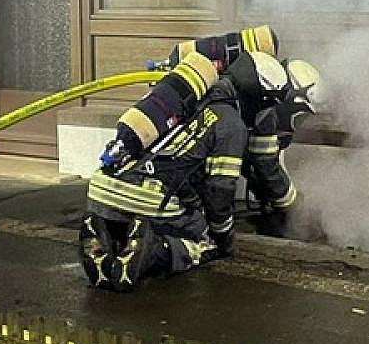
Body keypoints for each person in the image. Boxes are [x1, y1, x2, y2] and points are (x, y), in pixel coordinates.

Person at [79, 55, 247, 291]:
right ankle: (153, 249)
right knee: (203, 242)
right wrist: (223, 235)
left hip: (102, 185)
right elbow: (220, 189)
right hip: (148, 196)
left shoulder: (176, 104)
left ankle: (106, 237)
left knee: (136, 224)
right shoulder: (230, 122)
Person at [164, 27, 322, 236]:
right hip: (174, 191)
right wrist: (294, 207)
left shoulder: (241, 94)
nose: (298, 122)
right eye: (299, 115)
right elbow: (266, 167)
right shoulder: (265, 113)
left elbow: (255, 165)